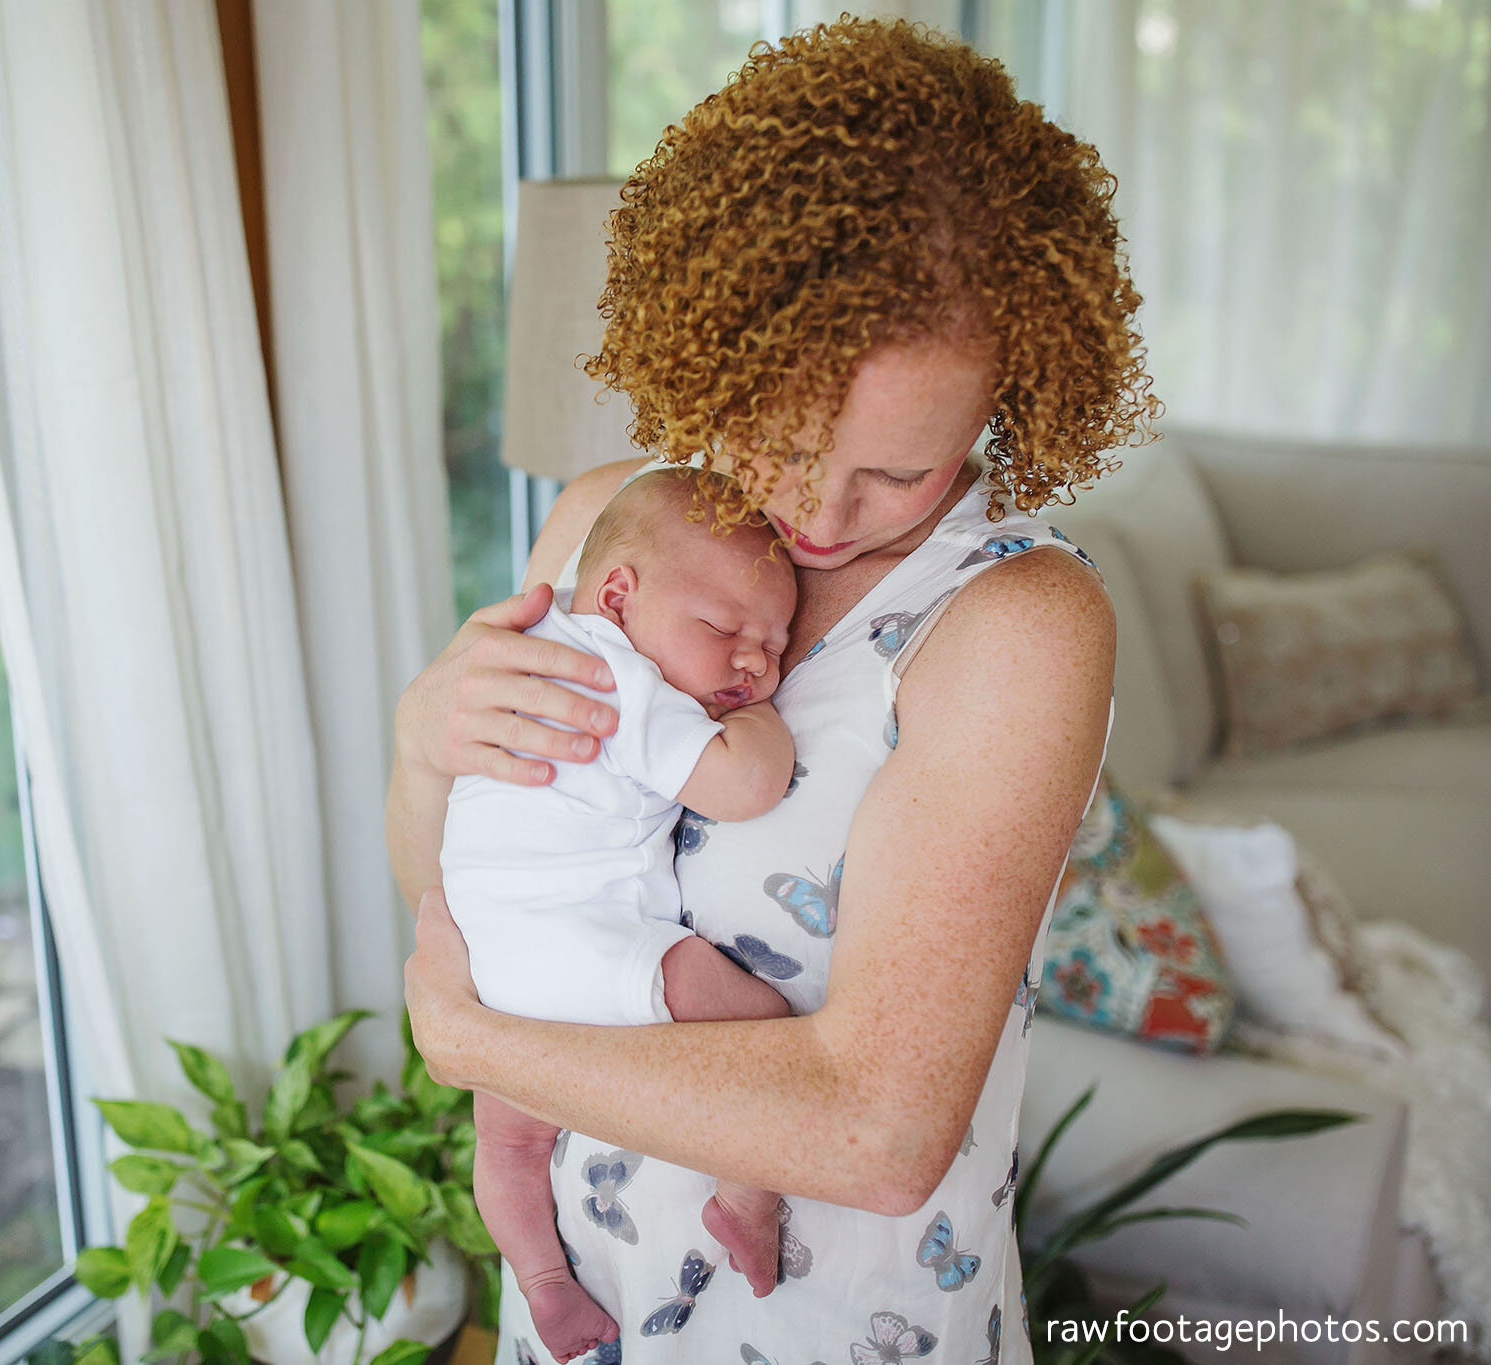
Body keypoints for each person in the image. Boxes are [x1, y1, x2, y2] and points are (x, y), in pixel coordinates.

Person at [389, 17, 1155, 1365]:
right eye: (784, 435)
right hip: (582, 1303)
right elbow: (459, 881)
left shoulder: (1016, 624)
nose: (814, 507)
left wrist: (471, 1044)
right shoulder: (599, 523)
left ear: (1006, 402)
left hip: (836, 1325)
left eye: (894, 472)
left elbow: (878, 1131)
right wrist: (420, 748)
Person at [445, 467, 800, 1362]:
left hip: (489, 953)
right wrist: (760, 725)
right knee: (762, 1025)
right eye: (724, 629)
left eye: (779, 643)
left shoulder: (541, 641)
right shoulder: (616, 671)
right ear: (618, 596)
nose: (756, 661)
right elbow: (744, 785)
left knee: (512, 1143)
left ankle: (541, 1282)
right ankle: (749, 1199)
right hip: (580, 939)